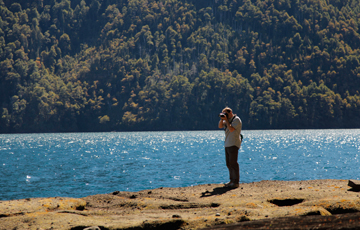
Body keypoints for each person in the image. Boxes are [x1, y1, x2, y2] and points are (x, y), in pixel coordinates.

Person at [218, 107, 242, 188]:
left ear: (230, 112)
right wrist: (222, 119)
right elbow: (220, 126)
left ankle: (236, 182)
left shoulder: (236, 119)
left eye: (226, 113)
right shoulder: (226, 120)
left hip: (234, 143)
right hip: (227, 144)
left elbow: (231, 129)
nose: (225, 115)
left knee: (233, 163)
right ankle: (232, 180)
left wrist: (227, 121)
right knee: (228, 163)